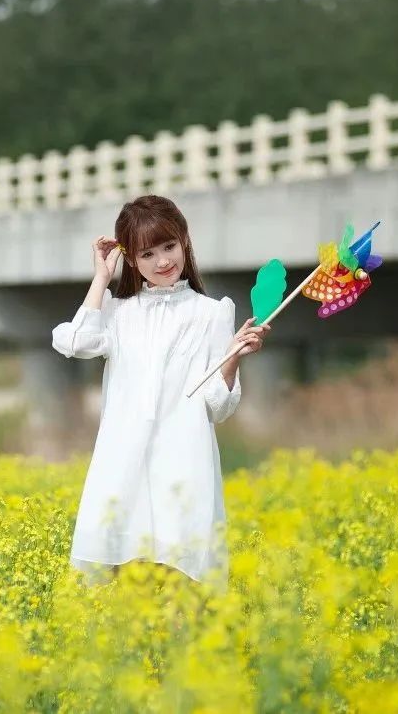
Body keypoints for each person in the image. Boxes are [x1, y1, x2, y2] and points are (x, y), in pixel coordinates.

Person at [51, 194, 270, 594]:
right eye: (147, 254)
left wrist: (233, 357)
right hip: (122, 466)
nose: (162, 261)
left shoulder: (212, 313)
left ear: (184, 240)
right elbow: (75, 341)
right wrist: (101, 278)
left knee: (180, 593)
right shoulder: (118, 313)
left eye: (169, 246)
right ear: (131, 260)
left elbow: (219, 406)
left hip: (182, 465)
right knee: (118, 595)